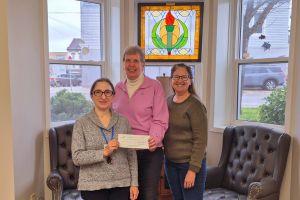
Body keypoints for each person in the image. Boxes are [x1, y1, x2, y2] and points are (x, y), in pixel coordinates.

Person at [111, 45, 169, 200]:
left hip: (148, 150)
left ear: (143, 65)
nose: (131, 64)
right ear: (123, 64)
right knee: (124, 195)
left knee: (148, 195)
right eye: (128, 60)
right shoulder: (116, 88)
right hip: (122, 151)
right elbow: (109, 118)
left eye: (136, 61)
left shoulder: (155, 86)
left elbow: (160, 118)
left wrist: (154, 139)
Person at [72, 78, 139, 200]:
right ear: (92, 96)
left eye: (107, 92)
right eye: (98, 92)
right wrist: (103, 152)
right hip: (92, 185)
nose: (103, 96)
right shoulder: (81, 123)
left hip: (121, 184)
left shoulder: (123, 122)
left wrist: (134, 183)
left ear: (113, 96)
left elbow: (131, 156)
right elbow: (77, 157)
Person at [163, 63, 208, 200]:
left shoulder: (195, 105)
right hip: (170, 162)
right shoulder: (168, 101)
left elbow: (201, 140)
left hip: (189, 164)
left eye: (184, 77)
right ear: (171, 80)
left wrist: (192, 171)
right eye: (176, 76)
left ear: (190, 80)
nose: (180, 80)